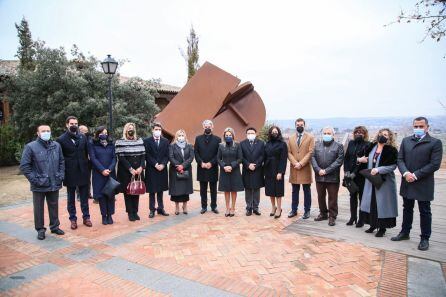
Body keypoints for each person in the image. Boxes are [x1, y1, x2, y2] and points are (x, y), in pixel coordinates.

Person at [392, 117, 443, 251]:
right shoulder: (406, 141)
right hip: (407, 180)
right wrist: (405, 173)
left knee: (425, 211)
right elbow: (400, 159)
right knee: (407, 208)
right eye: (416, 126)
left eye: (421, 126)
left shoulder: (435, 143)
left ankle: (425, 238)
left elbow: (434, 164)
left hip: (423, 182)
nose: (418, 128)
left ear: (427, 127)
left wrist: (415, 175)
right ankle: (405, 232)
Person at [20, 125, 65, 240]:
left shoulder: (56, 145)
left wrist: (60, 175)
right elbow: (25, 166)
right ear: (38, 133)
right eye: (43, 131)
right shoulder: (31, 147)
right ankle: (40, 229)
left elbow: (61, 161)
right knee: (38, 208)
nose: (46, 133)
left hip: (54, 182)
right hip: (39, 184)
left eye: (48, 131)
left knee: (54, 206)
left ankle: (55, 226)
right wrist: (35, 180)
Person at [359, 128, 399, 237]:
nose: (382, 136)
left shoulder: (391, 150)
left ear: (389, 137)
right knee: (371, 203)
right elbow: (364, 158)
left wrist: (379, 170)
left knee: (381, 205)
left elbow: (393, 166)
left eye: (385, 134)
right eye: (381, 134)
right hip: (371, 180)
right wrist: (361, 160)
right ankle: (372, 225)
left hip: (384, 182)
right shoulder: (372, 146)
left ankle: (382, 228)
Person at [57, 116, 92, 229]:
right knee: (71, 198)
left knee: (84, 197)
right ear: (67, 125)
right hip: (70, 172)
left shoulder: (83, 137)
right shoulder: (61, 139)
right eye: (72, 123)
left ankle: (86, 217)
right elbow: (60, 158)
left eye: (76, 123)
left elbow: (87, 153)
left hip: (83, 171)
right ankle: (73, 219)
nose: (74, 125)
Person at [311, 127, 344, 226]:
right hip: (319, 176)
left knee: (332, 198)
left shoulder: (339, 146)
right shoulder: (317, 146)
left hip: (332, 178)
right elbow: (312, 158)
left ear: (333, 135)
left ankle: (332, 216)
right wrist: (318, 170)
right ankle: (323, 213)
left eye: (329, 133)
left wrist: (326, 171)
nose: (326, 135)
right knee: (320, 196)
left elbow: (339, 161)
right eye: (325, 133)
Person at [116, 123, 145, 221]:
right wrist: (130, 169)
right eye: (129, 128)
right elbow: (121, 157)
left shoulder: (139, 140)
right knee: (128, 192)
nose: (131, 130)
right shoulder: (120, 142)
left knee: (136, 191)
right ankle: (130, 212)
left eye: (132, 128)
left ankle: (135, 211)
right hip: (126, 171)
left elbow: (143, 155)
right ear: (125, 130)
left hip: (138, 171)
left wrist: (141, 167)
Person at [88, 126, 117, 225]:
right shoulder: (93, 144)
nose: (104, 134)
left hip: (110, 173)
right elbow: (93, 158)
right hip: (99, 174)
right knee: (101, 196)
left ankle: (110, 215)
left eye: (105, 132)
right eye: (101, 133)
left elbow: (114, 158)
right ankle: (104, 216)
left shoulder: (111, 144)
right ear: (97, 134)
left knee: (110, 195)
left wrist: (110, 168)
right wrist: (102, 170)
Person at [287, 118, 315, 219]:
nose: (299, 126)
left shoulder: (310, 137)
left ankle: (307, 211)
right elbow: (289, 152)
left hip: (305, 168)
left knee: (306, 191)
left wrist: (301, 163)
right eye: (298, 125)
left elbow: (310, 152)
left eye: (301, 125)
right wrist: (295, 163)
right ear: (295, 126)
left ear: (304, 125)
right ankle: (294, 210)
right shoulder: (290, 138)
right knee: (295, 191)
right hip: (294, 168)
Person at [343, 126, 370, 227]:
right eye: (357, 132)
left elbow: (364, 161)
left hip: (361, 175)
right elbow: (346, 159)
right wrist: (346, 171)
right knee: (352, 196)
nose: (359, 134)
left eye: (361, 132)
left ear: (365, 134)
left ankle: (361, 219)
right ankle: (353, 217)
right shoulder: (351, 143)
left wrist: (355, 172)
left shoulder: (368, 145)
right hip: (350, 175)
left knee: (362, 198)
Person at [194, 120, 221, 214]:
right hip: (202, 167)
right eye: (205, 126)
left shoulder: (218, 139)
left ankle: (214, 206)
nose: (207, 127)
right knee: (203, 189)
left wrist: (211, 163)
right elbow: (196, 152)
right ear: (203, 127)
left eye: (209, 125)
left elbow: (219, 154)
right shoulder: (198, 138)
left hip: (212, 168)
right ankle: (204, 207)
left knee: (213, 189)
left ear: (212, 127)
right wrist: (201, 163)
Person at [144, 123, 169, 218]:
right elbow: (147, 155)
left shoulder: (165, 141)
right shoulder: (147, 141)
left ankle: (161, 208)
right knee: (152, 191)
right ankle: (151, 210)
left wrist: (163, 164)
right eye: (156, 129)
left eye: (159, 129)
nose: (158, 131)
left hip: (162, 169)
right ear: (152, 130)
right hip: (151, 169)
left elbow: (167, 155)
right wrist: (155, 164)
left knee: (160, 190)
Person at [217, 127, 244, 217]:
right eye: (226, 135)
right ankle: (227, 208)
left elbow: (240, 158)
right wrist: (224, 166)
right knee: (226, 190)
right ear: (224, 136)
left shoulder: (237, 145)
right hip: (224, 171)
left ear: (233, 136)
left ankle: (233, 208)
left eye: (230, 135)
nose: (228, 136)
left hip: (234, 170)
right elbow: (218, 158)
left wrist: (232, 165)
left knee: (233, 190)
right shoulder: (221, 145)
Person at [168, 129, 195, 215]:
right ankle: (177, 207)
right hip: (175, 170)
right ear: (176, 137)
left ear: (185, 136)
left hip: (186, 169)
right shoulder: (172, 146)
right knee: (176, 190)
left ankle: (185, 206)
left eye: (182, 135)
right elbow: (171, 157)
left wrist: (183, 166)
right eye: (179, 135)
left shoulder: (189, 146)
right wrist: (178, 166)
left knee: (185, 189)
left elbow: (191, 157)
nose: (181, 137)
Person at [264, 126, 288, 219]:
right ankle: (273, 207)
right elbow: (264, 156)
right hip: (268, 169)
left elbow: (283, 159)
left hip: (278, 169)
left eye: (276, 131)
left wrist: (280, 172)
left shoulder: (282, 144)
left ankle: (279, 208)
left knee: (278, 190)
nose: (274, 133)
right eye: (273, 132)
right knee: (270, 190)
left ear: (278, 133)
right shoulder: (267, 143)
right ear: (270, 133)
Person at [240, 127, 265, 216]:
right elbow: (241, 157)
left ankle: (256, 207)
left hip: (257, 169)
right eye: (249, 133)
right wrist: (248, 165)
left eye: (252, 133)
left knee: (256, 189)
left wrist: (255, 164)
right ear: (246, 134)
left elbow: (262, 156)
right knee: (248, 189)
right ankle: (249, 208)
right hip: (247, 169)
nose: (251, 134)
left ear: (256, 133)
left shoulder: (261, 143)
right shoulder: (242, 144)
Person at [77, 125, 95, 203]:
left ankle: (88, 193)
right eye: (84, 131)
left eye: (87, 131)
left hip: (89, 162)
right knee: (80, 179)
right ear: (80, 131)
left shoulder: (90, 139)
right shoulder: (77, 138)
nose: (86, 132)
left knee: (88, 178)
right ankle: (79, 196)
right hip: (81, 161)